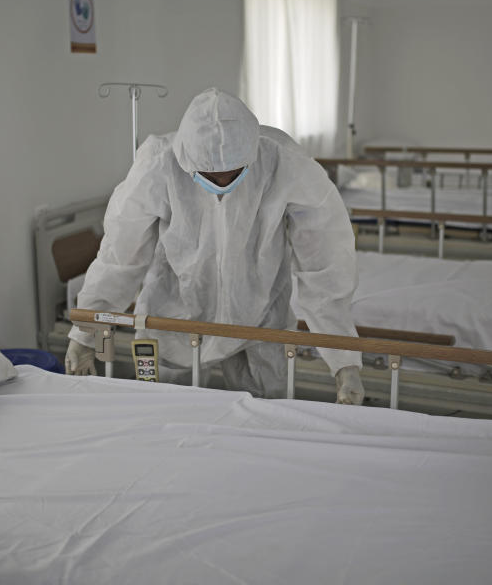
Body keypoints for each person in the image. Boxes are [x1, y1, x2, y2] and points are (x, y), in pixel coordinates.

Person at [65, 88, 364, 404]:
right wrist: (86, 332)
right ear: (188, 160)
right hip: (173, 319)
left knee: (265, 419)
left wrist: (344, 360)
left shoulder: (285, 163)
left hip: (259, 321)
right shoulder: (158, 164)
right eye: (210, 176)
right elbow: (120, 257)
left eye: (233, 175)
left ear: (251, 154)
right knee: (167, 414)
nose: (222, 185)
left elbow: (324, 264)